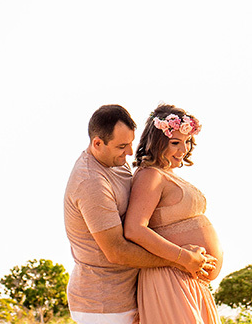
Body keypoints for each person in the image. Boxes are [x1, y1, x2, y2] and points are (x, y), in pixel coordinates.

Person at [64, 104, 216, 324]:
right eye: (122, 146)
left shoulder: (115, 163)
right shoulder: (91, 183)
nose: (129, 153)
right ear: (97, 143)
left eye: (131, 143)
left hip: (127, 295)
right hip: (104, 305)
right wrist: (181, 259)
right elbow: (117, 251)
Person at [124, 104, 223, 324]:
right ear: (158, 143)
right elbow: (134, 229)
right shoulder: (150, 175)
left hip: (189, 281)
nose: (183, 149)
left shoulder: (166, 175)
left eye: (187, 142)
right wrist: (183, 257)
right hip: (169, 280)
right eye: (175, 143)